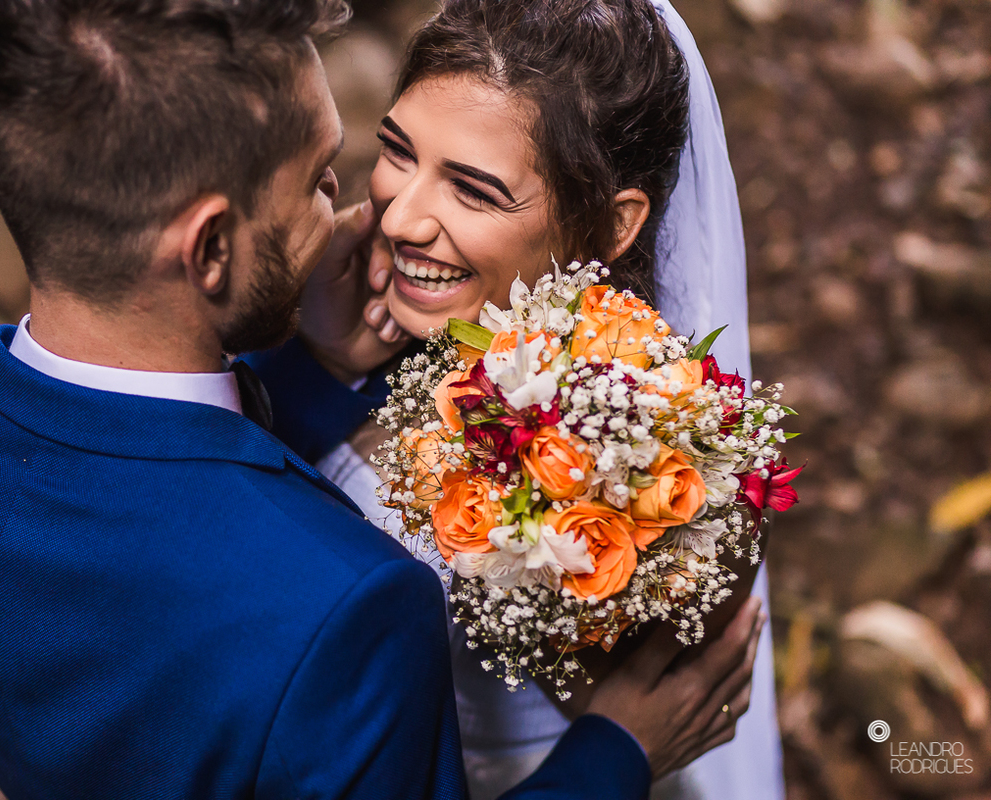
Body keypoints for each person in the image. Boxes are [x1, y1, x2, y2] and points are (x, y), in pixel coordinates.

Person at [0, 1, 762, 798]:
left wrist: (310, 369)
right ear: (208, 251)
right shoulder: (347, 617)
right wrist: (617, 754)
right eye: (325, 178)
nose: (382, 217)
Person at [248, 1, 783, 798]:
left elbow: (637, 705)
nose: (398, 215)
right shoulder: (353, 332)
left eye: (473, 190)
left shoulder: (649, 460)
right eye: (398, 150)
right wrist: (319, 363)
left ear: (608, 224)